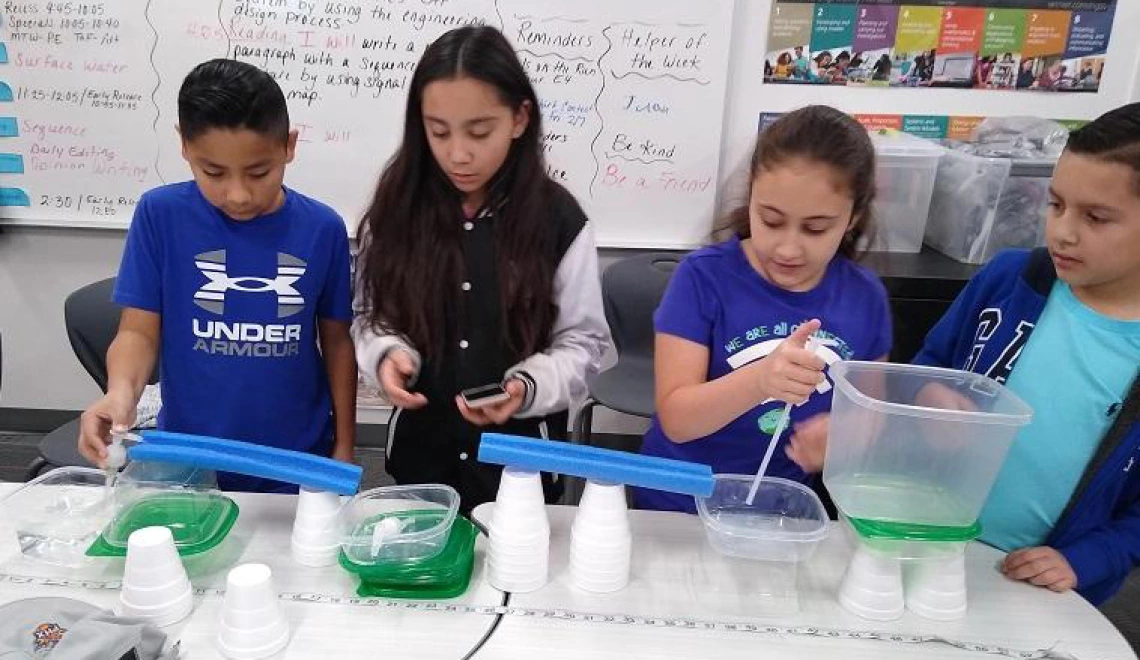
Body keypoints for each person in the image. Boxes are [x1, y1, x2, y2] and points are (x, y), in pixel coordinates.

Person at [352, 26, 611, 512]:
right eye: (439, 131)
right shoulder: (396, 211)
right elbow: (370, 314)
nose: (458, 154)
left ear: (519, 119)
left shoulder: (559, 221)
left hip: (520, 465)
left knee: (517, 577)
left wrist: (526, 386)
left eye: (479, 131)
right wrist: (387, 354)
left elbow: (583, 344)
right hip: (420, 459)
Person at [78, 59, 357, 492]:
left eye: (260, 172)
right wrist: (120, 394)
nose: (239, 194)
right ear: (184, 146)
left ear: (289, 146)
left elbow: (337, 342)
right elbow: (138, 333)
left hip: (296, 455)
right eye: (213, 173)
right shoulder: (161, 216)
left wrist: (345, 445)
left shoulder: (322, 229)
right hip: (191, 454)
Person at [910, 103, 1140, 604]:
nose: (1063, 231)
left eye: (1096, 217)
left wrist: (1083, 561)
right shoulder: (1011, 278)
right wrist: (929, 395)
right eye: (1056, 204)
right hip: (925, 541)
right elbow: (929, 364)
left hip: (1039, 586)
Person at [634, 106, 892, 513]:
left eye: (815, 228)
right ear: (751, 196)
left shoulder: (865, 298)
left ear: (853, 217)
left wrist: (842, 439)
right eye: (771, 221)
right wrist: (760, 381)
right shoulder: (703, 279)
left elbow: (869, 418)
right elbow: (678, 420)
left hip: (778, 511)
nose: (788, 248)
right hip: (677, 504)